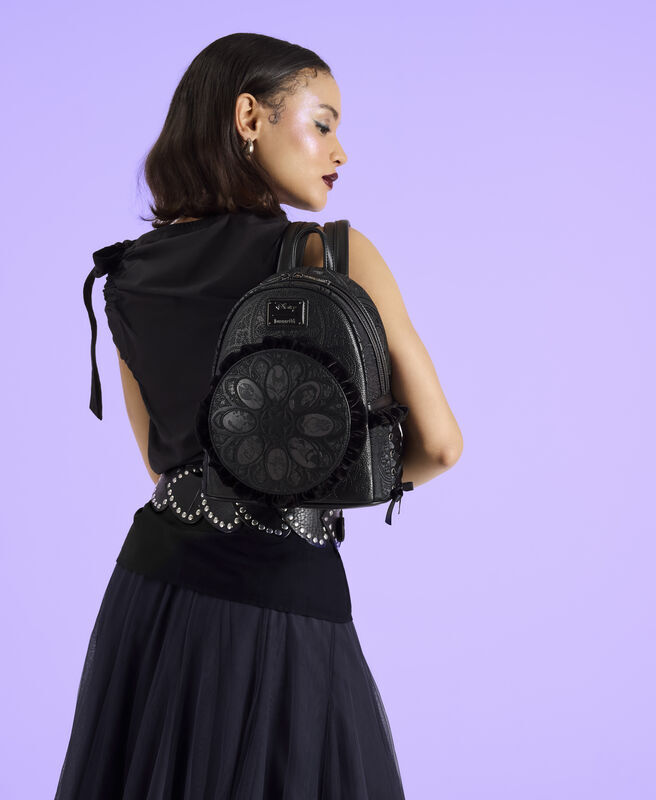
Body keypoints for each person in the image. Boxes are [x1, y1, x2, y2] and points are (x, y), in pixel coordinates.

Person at [55, 32, 463, 800]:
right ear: (250, 117)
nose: (340, 152)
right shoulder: (334, 255)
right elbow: (440, 446)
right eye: (322, 122)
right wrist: (320, 486)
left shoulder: (126, 276)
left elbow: (161, 463)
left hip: (152, 594)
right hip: (285, 593)